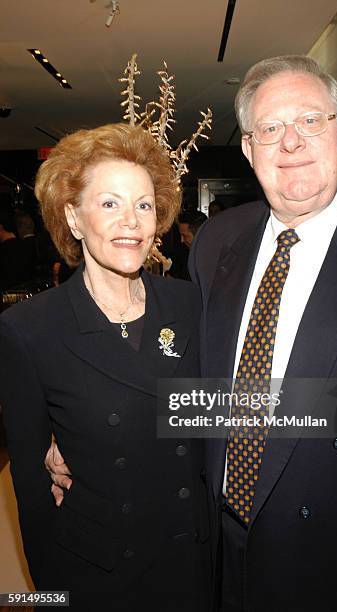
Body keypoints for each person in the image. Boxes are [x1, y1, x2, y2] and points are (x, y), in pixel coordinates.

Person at [187, 55, 337, 611]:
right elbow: (199, 385)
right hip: (224, 551)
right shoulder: (216, 242)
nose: (290, 142)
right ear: (247, 149)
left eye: (310, 120)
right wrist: (94, 430)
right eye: (269, 128)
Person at [0, 123, 210, 611]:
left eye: (143, 204)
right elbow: (31, 491)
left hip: (190, 562)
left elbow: (217, 412)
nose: (131, 221)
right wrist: (52, 596)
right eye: (110, 203)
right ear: (73, 218)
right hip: (96, 571)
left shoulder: (192, 304)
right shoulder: (30, 328)